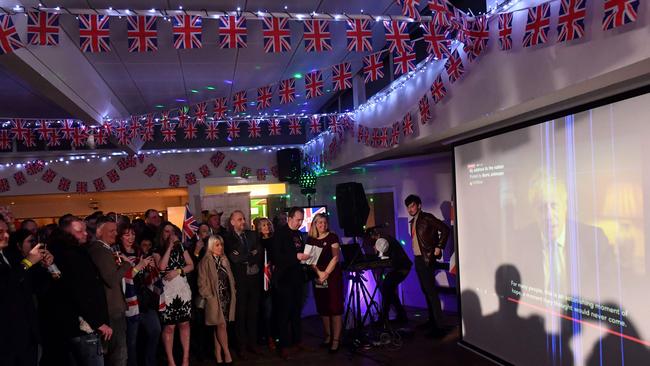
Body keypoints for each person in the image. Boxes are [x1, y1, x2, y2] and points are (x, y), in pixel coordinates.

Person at [48, 216, 113, 366]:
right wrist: (97, 322)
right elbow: (79, 292)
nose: (85, 234)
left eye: (85, 230)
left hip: (75, 325)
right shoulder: (72, 255)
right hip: (83, 326)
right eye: (79, 231)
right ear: (67, 234)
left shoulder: (73, 252)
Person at [0, 216, 48, 366]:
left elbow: (30, 286)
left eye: (7, 231)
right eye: (0, 232)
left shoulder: (9, 256)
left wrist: (45, 267)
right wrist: (28, 262)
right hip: (6, 338)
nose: (6, 235)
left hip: (25, 334)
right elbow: (6, 287)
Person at [87, 216, 133, 366]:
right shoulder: (100, 251)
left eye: (115, 230)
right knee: (118, 354)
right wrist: (126, 265)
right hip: (112, 310)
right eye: (111, 231)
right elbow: (112, 280)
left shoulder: (105, 250)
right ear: (99, 232)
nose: (115, 234)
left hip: (112, 308)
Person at [404, 194, 450, 337]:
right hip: (418, 260)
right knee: (426, 292)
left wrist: (439, 247)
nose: (410, 209)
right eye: (408, 207)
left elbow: (445, 229)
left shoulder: (426, 217)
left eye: (412, 206)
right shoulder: (414, 221)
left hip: (427, 259)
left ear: (419, 205)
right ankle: (432, 322)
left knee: (431, 293)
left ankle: (439, 327)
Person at [272, 207, 311, 359]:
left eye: (302, 220)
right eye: (297, 220)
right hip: (283, 279)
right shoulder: (280, 234)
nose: (300, 223)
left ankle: (297, 341)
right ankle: (284, 345)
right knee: (283, 313)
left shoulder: (299, 234)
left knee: (296, 311)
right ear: (290, 218)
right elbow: (277, 257)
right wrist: (296, 257)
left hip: (297, 278)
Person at [117, 224, 158, 366]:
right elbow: (123, 278)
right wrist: (139, 266)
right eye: (127, 235)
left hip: (144, 299)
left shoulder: (139, 252)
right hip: (129, 301)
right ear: (120, 236)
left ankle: (149, 362)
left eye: (133, 234)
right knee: (131, 340)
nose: (131, 237)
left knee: (155, 330)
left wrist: (150, 268)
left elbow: (145, 278)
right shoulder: (117, 255)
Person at [153, 222, 194, 366]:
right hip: (167, 291)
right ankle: (171, 361)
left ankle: (185, 359)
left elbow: (191, 265)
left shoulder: (181, 247)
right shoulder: (157, 249)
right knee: (169, 327)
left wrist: (178, 271)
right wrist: (169, 247)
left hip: (182, 289)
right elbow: (161, 267)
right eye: (166, 231)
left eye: (172, 231)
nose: (169, 234)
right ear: (161, 233)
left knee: (184, 323)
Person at [224, 210, 263, 359]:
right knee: (240, 314)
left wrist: (247, 257)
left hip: (254, 279)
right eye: (239, 219)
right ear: (232, 222)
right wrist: (249, 254)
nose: (243, 221)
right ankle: (241, 346)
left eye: (244, 219)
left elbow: (259, 252)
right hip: (239, 281)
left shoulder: (252, 234)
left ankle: (252, 344)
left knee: (253, 313)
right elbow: (234, 259)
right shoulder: (228, 239)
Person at [307, 213, 344, 353]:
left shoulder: (332, 237)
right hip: (318, 277)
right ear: (315, 224)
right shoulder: (310, 240)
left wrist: (326, 274)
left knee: (335, 308)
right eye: (319, 222)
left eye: (324, 222)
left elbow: (335, 258)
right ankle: (328, 337)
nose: (322, 225)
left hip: (332, 276)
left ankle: (336, 340)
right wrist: (319, 273)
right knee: (323, 308)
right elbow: (310, 260)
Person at [198, 235, 236, 364]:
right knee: (221, 325)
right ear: (211, 246)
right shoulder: (206, 261)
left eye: (221, 245)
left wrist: (227, 266)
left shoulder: (224, 259)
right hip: (214, 298)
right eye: (217, 245)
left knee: (219, 326)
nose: (220, 247)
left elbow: (230, 278)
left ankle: (218, 354)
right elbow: (201, 282)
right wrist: (208, 295)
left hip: (226, 297)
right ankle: (227, 353)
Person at [367, 227, 412, 324]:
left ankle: (385, 318)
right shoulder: (383, 239)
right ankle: (399, 315)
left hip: (401, 268)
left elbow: (384, 258)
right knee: (388, 289)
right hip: (400, 267)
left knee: (386, 287)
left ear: (373, 236)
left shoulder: (382, 240)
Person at [188, 222, 212, 361]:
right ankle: (200, 351)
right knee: (200, 322)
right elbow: (193, 268)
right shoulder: (193, 248)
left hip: (212, 288)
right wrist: (197, 251)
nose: (206, 234)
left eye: (207, 231)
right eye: (203, 231)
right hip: (199, 290)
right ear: (198, 234)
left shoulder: (213, 247)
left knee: (211, 320)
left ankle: (211, 349)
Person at [256, 217, 276, 351]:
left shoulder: (275, 240)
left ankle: (274, 336)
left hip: (275, 279)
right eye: (263, 225)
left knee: (274, 310)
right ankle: (266, 337)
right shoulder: (256, 242)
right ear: (258, 228)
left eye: (268, 224)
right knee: (264, 311)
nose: (266, 227)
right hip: (261, 280)